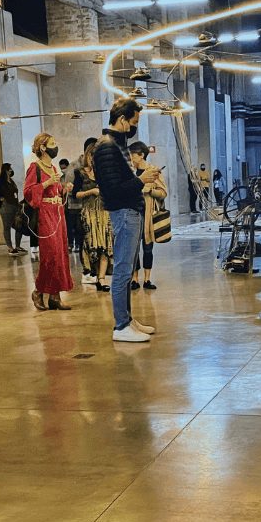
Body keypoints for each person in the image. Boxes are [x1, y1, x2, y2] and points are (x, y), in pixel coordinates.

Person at [92, 98, 160, 342]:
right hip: (124, 212)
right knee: (122, 271)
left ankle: (127, 320)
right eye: (133, 122)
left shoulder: (116, 145)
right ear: (122, 119)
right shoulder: (107, 146)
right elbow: (112, 190)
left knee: (127, 268)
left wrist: (142, 179)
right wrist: (142, 180)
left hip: (129, 212)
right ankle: (121, 326)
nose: (134, 127)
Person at [24, 132, 74, 311]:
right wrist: (46, 184)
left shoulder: (53, 168)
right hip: (45, 214)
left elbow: (56, 190)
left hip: (58, 213)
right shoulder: (35, 167)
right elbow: (28, 192)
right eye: (53, 143)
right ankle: (38, 291)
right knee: (50, 254)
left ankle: (55, 296)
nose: (56, 146)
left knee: (60, 253)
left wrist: (64, 189)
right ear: (43, 147)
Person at [129, 141, 167, 291]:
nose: (131, 157)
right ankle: (134, 279)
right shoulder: (130, 172)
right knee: (133, 249)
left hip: (148, 216)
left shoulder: (153, 171)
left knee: (148, 248)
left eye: (133, 154)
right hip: (133, 214)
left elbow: (163, 192)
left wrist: (150, 190)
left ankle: (147, 279)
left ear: (141, 155)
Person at [75, 144, 113, 292]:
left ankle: (101, 279)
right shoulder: (80, 173)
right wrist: (90, 191)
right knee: (92, 246)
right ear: (88, 155)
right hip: (89, 213)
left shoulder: (104, 172)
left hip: (104, 212)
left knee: (105, 245)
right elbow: (76, 194)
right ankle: (94, 274)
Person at [0, 163, 26, 256]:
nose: (11, 170)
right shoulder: (0, 180)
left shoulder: (11, 181)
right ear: (6, 170)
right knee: (7, 226)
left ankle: (18, 246)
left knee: (19, 225)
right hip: (5, 206)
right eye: (10, 169)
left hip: (14, 205)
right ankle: (10, 247)